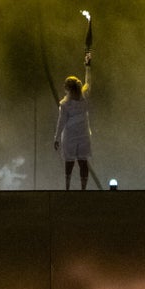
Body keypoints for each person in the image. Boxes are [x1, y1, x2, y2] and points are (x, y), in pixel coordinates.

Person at [54, 48, 93, 188]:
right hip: (80, 135)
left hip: (73, 135)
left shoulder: (67, 104)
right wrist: (87, 67)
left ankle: (68, 187)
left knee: (72, 162)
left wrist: (56, 137)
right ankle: (80, 188)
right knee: (81, 161)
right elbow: (88, 82)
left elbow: (61, 122)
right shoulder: (82, 99)